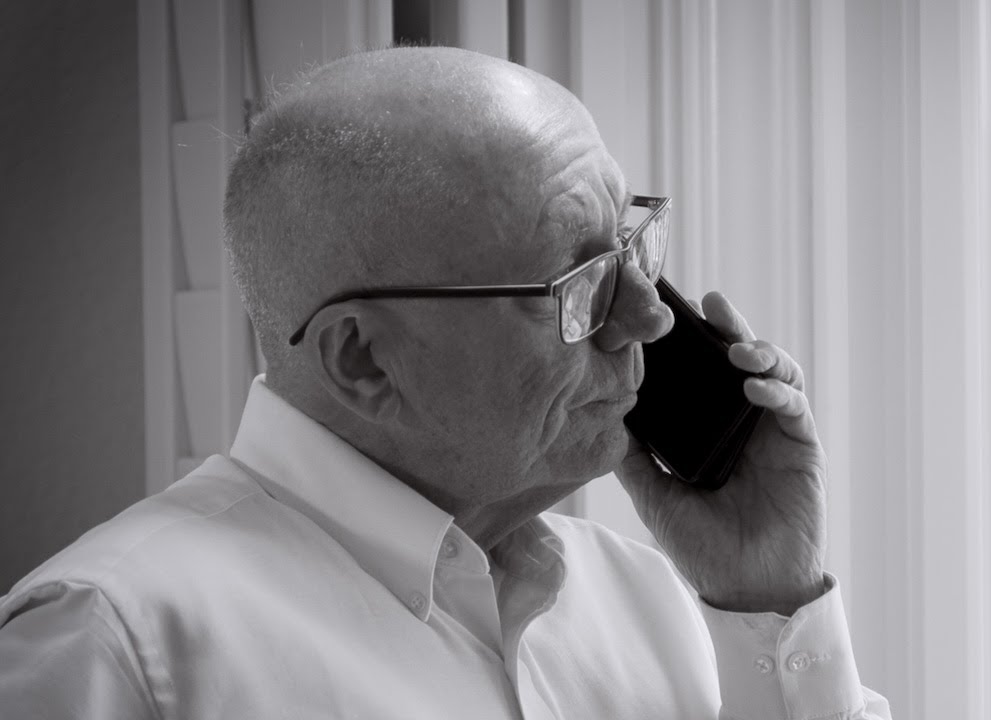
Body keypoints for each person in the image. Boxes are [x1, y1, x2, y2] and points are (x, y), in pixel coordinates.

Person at [0, 47, 890, 719]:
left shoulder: (656, 606)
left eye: (631, 247)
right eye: (578, 286)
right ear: (364, 360)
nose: (651, 318)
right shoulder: (112, 644)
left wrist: (768, 599)